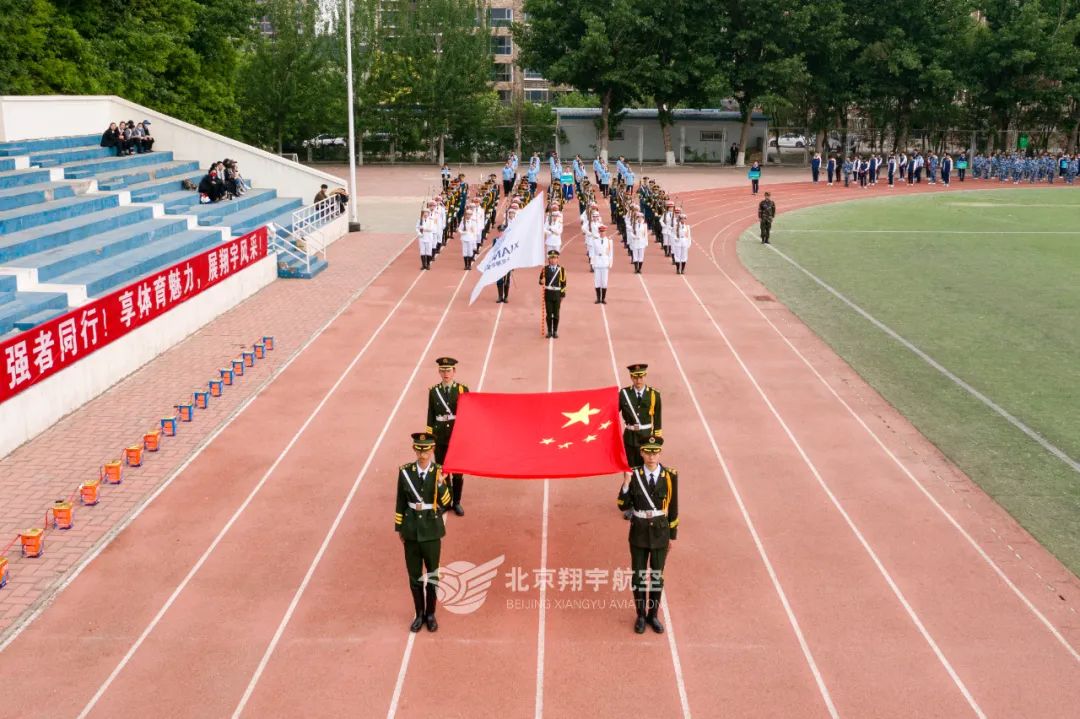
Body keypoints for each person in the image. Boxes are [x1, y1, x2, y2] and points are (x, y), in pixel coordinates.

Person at [616, 435, 679, 634]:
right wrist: (626, 484)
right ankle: (641, 615)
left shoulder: (670, 476)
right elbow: (622, 505)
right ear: (642, 453)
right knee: (639, 577)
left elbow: (674, 507)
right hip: (639, 532)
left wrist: (672, 535)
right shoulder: (633, 475)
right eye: (648, 452)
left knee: (657, 576)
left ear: (660, 453)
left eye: (655, 452)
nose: (652, 456)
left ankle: (653, 615)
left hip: (660, 532)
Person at [395, 431, 453, 632]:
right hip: (411, 531)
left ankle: (431, 613)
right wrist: (400, 529)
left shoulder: (438, 471)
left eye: (426, 449)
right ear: (414, 449)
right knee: (414, 576)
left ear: (433, 449)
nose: (423, 454)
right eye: (419, 450)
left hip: (431, 531)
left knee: (433, 575)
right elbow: (401, 502)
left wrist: (440, 483)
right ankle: (419, 613)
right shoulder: (405, 472)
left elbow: (447, 502)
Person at [426, 357, 469, 516]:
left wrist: (466, 434)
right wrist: (430, 438)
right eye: (443, 370)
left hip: (456, 435)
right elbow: (430, 414)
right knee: (443, 469)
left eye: (448, 370)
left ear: (454, 371)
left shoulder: (462, 390)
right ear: (439, 371)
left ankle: (456, 501)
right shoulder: (433, 391)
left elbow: (468, 414)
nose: (446, 373)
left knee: (457, 471)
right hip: (440, 435)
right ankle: (446, 501)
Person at [540, 249, 566, 338]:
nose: (553, 260)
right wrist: (541, 281)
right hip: (548, 294)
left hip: (557, 294)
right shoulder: (545, 269)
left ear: (557, 259)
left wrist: (562, 295)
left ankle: (555, 331)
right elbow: (540, 281)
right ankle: (549, 331)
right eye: (551, 258)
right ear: (549, 259)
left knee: (556, 314)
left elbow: (563, 284)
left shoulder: (561, 270)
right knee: (549, 314)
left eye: (554, 258)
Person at [591, 224, 612, 304]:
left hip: (605, 261)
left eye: (603, 231)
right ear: (599, 232)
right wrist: (592, 262)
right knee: (597, 281)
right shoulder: (595, 241)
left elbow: (610, 253)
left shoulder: (609, 241)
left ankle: (603, 298)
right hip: (597, 261)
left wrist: (610, 263)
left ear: (606, 232)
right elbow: (592, 253)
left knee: (604, 281)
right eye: (601, 231)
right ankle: (598, 298)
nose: (602, 233)